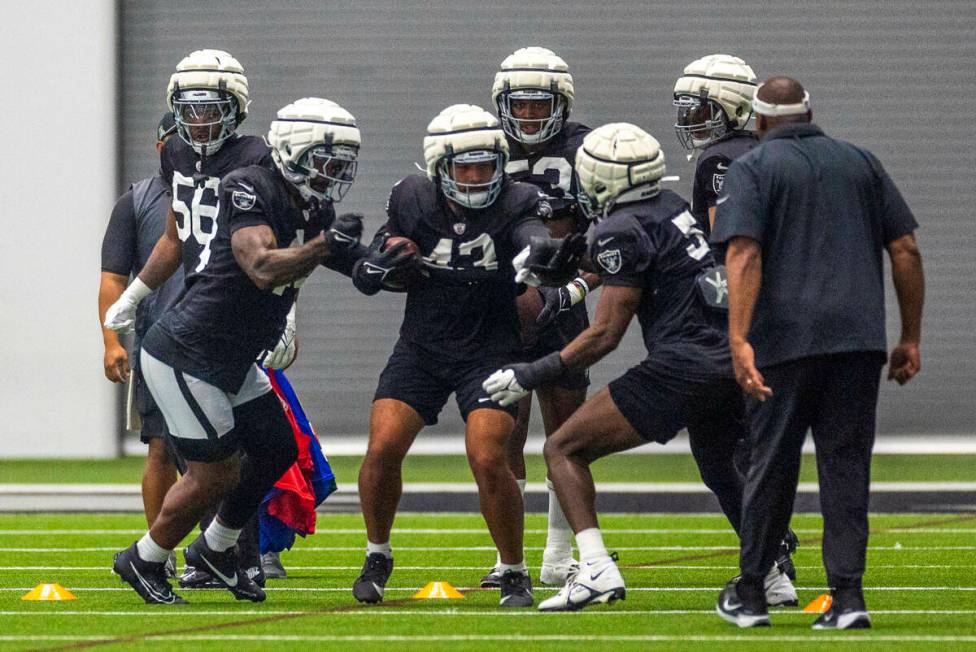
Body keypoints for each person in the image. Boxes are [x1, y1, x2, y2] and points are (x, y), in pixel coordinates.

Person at [483, 122, 796, 612]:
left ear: (603, 180)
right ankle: (771, 574)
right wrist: (564, 259)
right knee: (718, 462)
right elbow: (636, 254)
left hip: (682, 364)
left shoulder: (620, 227)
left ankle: (595, 569)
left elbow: (604, 335)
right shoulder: (670, 208)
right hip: (727, 358)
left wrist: (532, 372)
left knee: (563, 447)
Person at [104, 96, 367, 604]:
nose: (335, 172)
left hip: (229, 354)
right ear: (293, 153)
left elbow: (351, 260)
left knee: (277, 447)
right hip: (188, 353)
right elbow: (264, 265)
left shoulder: (310, 202)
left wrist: (394, 263)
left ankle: (215, 549)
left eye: (342, 163)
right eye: (326, 160)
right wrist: (323, 248)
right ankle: (143, 558)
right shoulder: (249, 184)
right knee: (214, 472)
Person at [711, 76, 924, 629]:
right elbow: (904, 248)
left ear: (758, 122)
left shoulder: (752, 169)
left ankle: (753, 591)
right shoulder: (861, 162)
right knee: (847, 468)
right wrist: (910, 336)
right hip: (857, 342)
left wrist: (738, 339)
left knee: (771, 464)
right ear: (810, 114)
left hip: (784, 342)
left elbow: (744, 253)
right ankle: (848, 597)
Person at [349, 104, 580, 608]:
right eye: (465, 167)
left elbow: (531, 235)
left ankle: (514, 570)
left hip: (490, 348)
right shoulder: (412, 198)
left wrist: (538, 254)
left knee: (487, 456)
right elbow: (387, 247)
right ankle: (377, 553)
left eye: (486, 165)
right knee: (383, 448)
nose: (476, 177)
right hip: (422, 346)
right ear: (438, 168)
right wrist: (378, 262)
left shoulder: (520, 200)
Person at [673, 55, 801, 581]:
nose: (689, 120)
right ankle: (773, 541)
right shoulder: (779, 153)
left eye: (699, 108)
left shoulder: (720, 160)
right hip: (797, 312)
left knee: (716, 445)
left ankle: (768, 547)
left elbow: (732, 246)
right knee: (761, 441)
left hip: (747, 317)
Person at [482, 45, 598, 588]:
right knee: (507, 432)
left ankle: (559, 551)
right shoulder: (482, 145)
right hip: (502, 306)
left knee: (566, 431)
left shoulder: (587, 148)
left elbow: (609, 238)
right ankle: (513, 557)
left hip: (562, 302)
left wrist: (574, 290)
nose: (527, 115)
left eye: (539, 105)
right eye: (519, 105)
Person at [98, 112, 183, 574]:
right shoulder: (138, 200)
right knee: (161, 447)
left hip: (223, 337)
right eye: (172, 139)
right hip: (159, 341)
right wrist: (112, 341)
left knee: (238, 450)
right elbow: (112, 277)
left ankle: (232, 549)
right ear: (158, 146)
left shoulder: (232, 190)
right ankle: (160, 552)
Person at [673, 54, 759, 239]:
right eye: (686, 112)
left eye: (701, 112)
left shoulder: (717, 159)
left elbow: (723, 235)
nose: (689, 121)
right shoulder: (761, 146)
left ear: (736, 110)